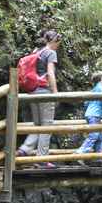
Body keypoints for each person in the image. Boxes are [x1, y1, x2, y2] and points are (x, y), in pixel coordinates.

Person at [18, 30, 62, 167]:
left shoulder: (36, 51)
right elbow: (50, 73)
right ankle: (42, 159)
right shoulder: (50, 53)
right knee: (47, 125)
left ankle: (24, 149)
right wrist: (55, 93)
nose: (58, 47)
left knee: (38, 125)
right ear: (54, 41)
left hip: (32, 91)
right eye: (58, 44)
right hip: (44, 91)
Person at [76, 71, 102, 163]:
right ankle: (79, 153)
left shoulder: (94, 89)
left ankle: (98, 158)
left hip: (91, 114)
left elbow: (86, 103)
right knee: (94, 135)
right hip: (95, 115)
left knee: (100, 137)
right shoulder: (101, 88)